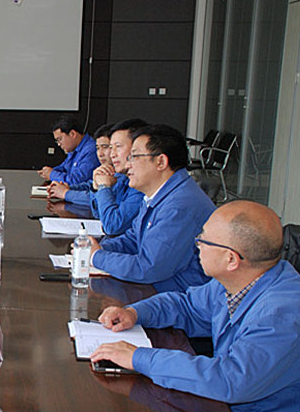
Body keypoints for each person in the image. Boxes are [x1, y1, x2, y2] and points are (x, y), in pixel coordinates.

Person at [91, 201, 300, 412]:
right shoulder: (242, 279)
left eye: (203, 239)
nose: (197, 245)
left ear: (231, 259)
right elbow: (187, 306)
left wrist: (138, 358)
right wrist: (135, 312)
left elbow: (231, 379)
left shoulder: (283, 314)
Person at [86, 124, 216, 292]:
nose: (128, 164)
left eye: (134, 157)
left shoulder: (180, 206)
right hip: (157, 288)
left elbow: (149, 268)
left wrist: (97, 257)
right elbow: (134, 239)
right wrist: (99, 248)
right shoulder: (159, 194)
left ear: (161, 161)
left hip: (177, 297)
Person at [49, 119, 147, 235]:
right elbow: (98, 211)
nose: (111, 154)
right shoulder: (122, 176)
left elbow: (112, 225)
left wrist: (102, 187)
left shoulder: (140, 185)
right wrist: (93, 188)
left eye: (117, 147)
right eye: (111, 148)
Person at [37, 115, 99, 185]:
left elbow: (76, 181)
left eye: (60, 139)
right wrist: (49, 172)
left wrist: (52, 174)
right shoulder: (73, 148)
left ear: (72, 134)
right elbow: (65, 168)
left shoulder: (91, 150)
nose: (59, 144)